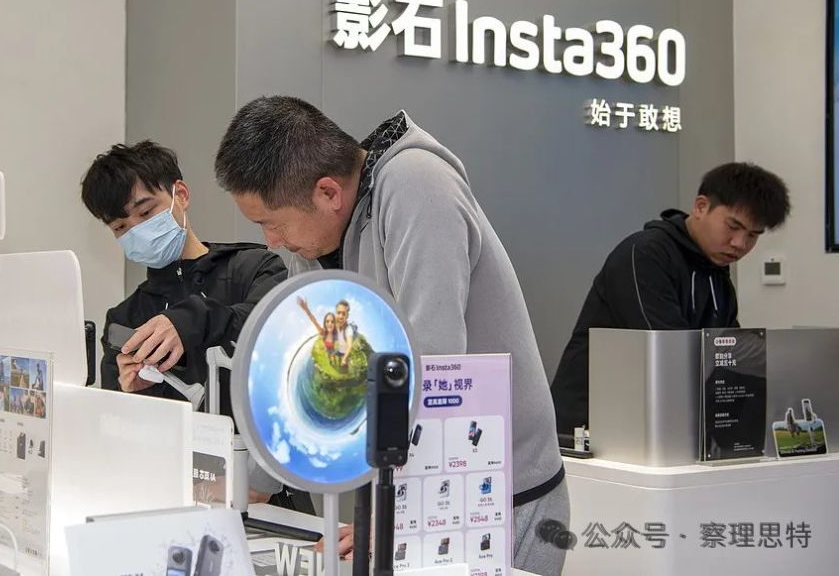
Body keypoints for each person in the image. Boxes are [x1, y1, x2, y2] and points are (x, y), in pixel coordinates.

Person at [215, 96, 568, 575]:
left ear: (327, 192)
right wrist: (253, 483)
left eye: (270, 223)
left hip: (499, 494)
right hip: (420, 496)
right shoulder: (315, 242)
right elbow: (305, 368)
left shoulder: (418, 184)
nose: (271, 241)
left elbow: (430, 362)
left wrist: (396, 516)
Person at [80, 140, 293, 503]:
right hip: (172, 498)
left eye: (146, 212)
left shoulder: (254, 268)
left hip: (269, 494)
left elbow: (274, 330)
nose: (136, 230)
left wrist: (191, 320)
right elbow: (118, 439)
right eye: (121, 227)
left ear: (180, 195)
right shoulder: (124, 321)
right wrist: (133, 397)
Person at [551, 162, 790, 436]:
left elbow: (729, 351)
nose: (740, 243)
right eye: (732, 226)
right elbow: (668, 350)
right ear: (701, 206)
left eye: (752, 236)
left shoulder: (717, 274)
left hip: (658, 425)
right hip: (590, 426)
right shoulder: (645, 254)